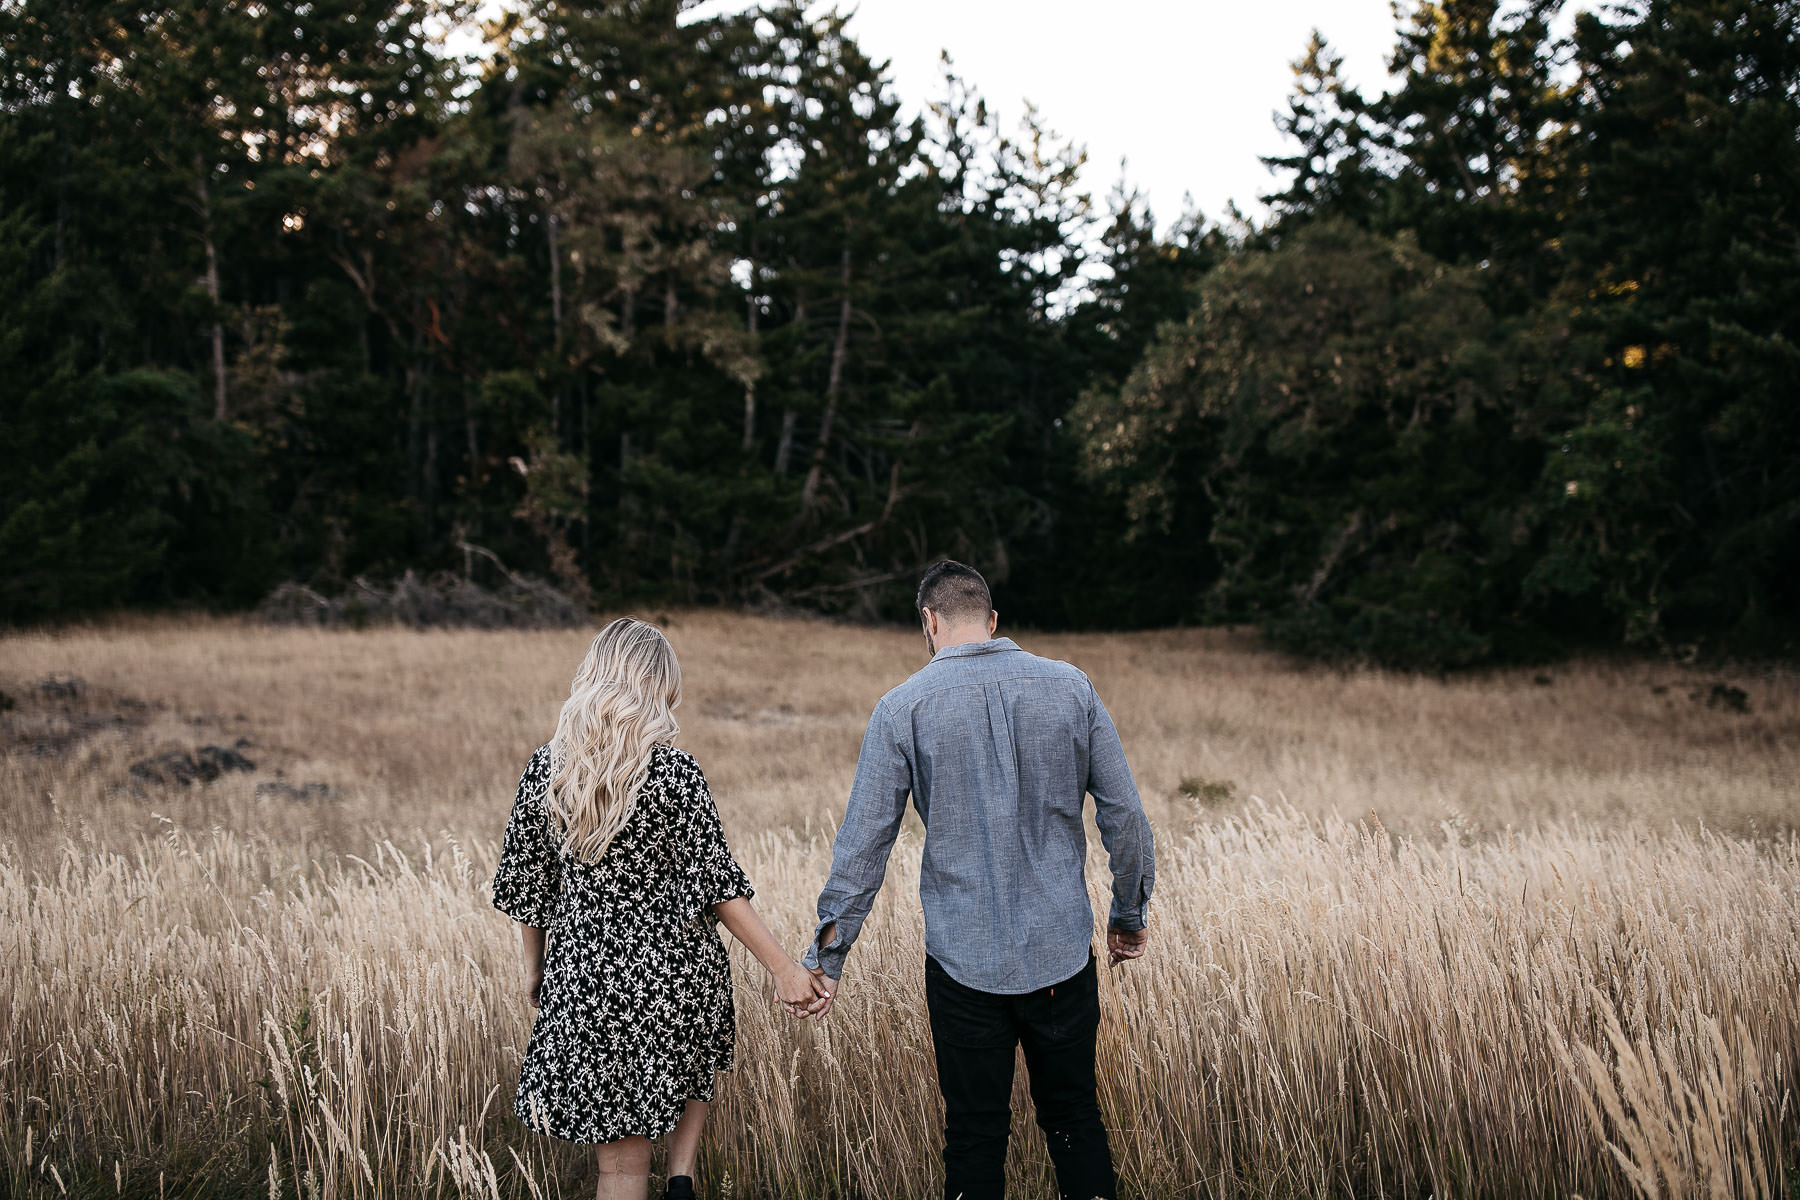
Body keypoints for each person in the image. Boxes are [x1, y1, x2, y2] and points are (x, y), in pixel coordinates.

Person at [801, 561, 1156, 1200]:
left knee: (973, 1133)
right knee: (1075, 1119)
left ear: (929, 622)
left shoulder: (901, 707)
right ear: (992, 622)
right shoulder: (1073, 688)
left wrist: (829, 955)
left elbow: (863, 846)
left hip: (962, 966)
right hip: (1062, 957)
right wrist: (1127, 915)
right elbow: (1126, 816)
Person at [491, 617, 830, 1200]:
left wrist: (536, 971)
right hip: (674, 983)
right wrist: (783, 968)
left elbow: (527, 888)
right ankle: (681, 1176)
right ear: (656, 687)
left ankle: (676, 1180)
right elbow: (718, 888)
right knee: (690, 1054)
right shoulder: (675, 775)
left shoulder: (548, 769)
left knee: (619, 1173)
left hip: (588, 986)